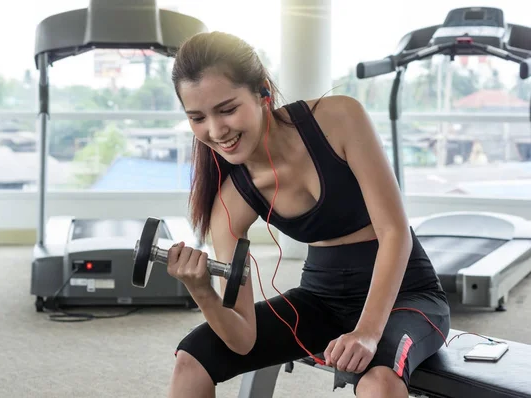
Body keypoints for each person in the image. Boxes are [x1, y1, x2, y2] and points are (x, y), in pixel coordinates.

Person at [165, 31, 451, 398]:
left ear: (262, 92)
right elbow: (242, 338)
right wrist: (202, 290)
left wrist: (366, 331)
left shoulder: (338, 118)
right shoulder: (230, 202)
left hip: (407, 294)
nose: (216, 131)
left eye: (227, 109)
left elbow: (395, 231)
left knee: (379, 382)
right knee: (192, 358)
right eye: (197, 117)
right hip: (321, 299)